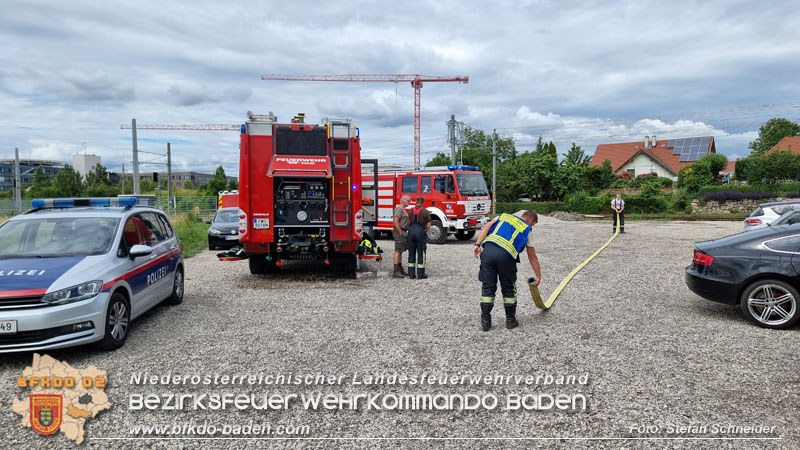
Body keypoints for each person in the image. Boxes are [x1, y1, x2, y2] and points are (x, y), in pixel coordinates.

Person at [473, 210, 541, 331]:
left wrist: (477, 245)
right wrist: (538, 275)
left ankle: (485, 322)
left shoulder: (503, 216)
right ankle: (510, 321)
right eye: (533, 224)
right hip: (506, 257)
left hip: (488, 253)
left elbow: (486, 227)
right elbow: (532, 255)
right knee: (508, 288)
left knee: (488, 287)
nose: (532, 226)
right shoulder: (527, 229)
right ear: (531, 219)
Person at [407, 196, 431, 279]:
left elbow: (408, 221)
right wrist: (426, 232)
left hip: (411, 232)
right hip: (420, 233)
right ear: (423, 202)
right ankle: (421, 274)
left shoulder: (410, 210)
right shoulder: (426, 211)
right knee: (421, 253)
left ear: (416, 201)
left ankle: (411, 274)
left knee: (411, 253)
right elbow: (428, 224)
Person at [392, 195, 411, 278]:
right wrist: (400, 232)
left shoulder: (402, 209)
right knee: (398, 251)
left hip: (402, 231)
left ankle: (400, 269)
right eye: (408, 200)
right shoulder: (399, 209)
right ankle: (396, 271)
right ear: (403, 200)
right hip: (400, 231)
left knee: (400, 250)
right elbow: (396, 221)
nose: (409, 202)